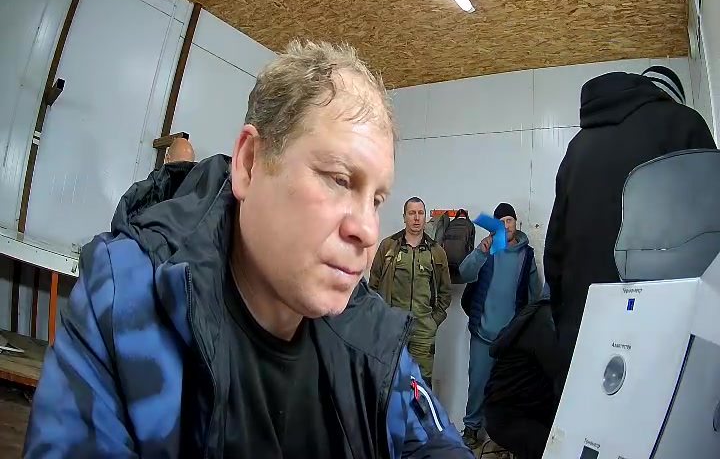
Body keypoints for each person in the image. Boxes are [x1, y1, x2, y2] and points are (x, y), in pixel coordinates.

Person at [24, 40, 473, 459]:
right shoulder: (126, 301)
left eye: (376, 200)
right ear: (249, 163)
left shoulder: (373, 340)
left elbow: (435, 444)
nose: (367, 230)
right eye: (339, 179)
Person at [544, 65, 717, 388]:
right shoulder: (684, 123)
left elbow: (554, 251)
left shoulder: (577, 147)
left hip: (583, 329)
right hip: (664, 332)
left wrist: (566, 324)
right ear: (670, 97)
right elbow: (710, 237)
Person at [457, 202, 541, 448]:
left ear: (516, 223)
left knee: (506, 390)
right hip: (482, 334)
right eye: (501, 222)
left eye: (509, 220)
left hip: (511, 338)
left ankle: (500, 440)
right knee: (477, 386)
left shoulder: (526, 255)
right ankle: (471, 430)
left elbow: (534, 295)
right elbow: (464, 273)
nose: (506, 225)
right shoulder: (487, 250)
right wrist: (480, 252)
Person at [369, 197, 452, 385]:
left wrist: (433, 321)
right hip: (393, 328)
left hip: (423, 330)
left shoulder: (436, 252)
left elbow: (445, 292)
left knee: (421, 384)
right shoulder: (389, 246)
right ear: (404, 217)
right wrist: (380, 318)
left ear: (425, 217)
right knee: (388, 381)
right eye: (412, 213)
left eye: (420, 213)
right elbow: (373, 285)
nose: (416, 218)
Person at [483, 294, 562, 459]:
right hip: (512, 417)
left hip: (509, 412)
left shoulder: (539, 312)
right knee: (561, 449)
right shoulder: (546, 320)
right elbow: (561, 374)